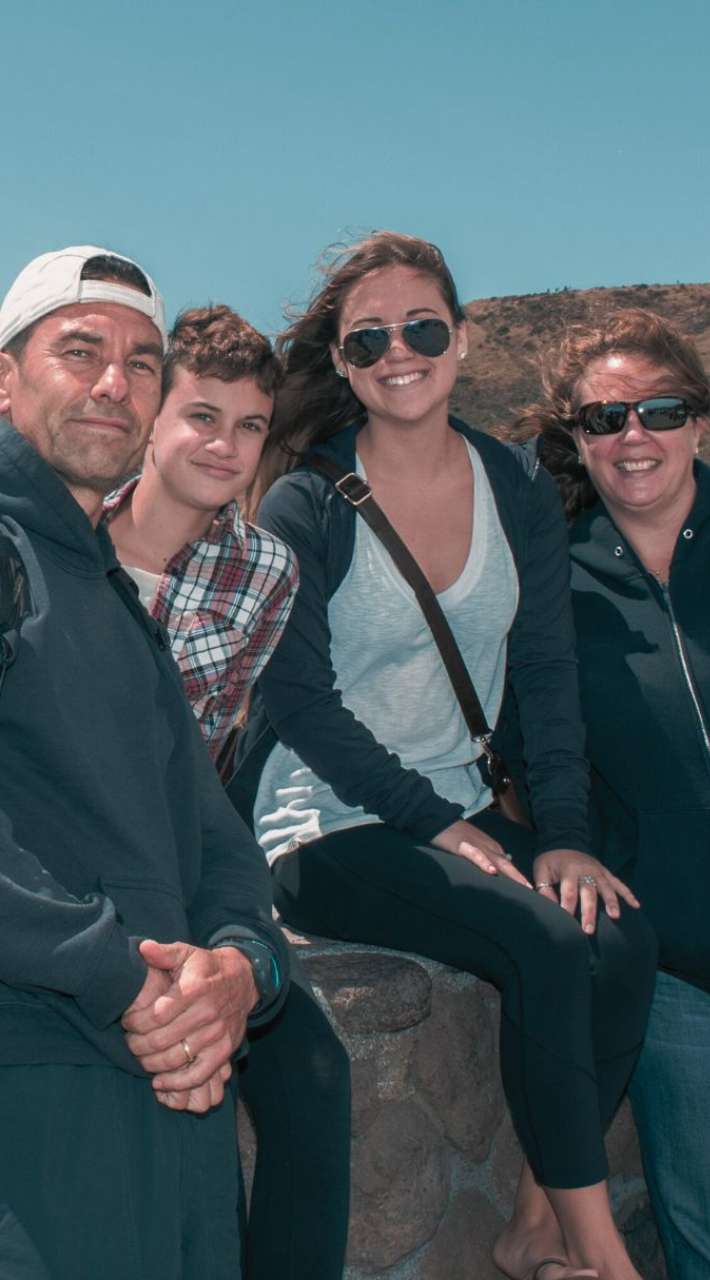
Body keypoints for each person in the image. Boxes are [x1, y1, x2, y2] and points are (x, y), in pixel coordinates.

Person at [237, 231, 658, 1280]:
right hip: (326, 821)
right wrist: (433, 820)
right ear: (343, 364)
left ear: (462, 339)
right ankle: (602, 1254)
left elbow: (546, 671)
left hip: (458, 804)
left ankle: (532, 1224)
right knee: (545, 942)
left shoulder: (514, 484)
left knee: (618, 936)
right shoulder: (307, 500)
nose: (399, 352)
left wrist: (563, 834)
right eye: (368, 338)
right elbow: (297, 699)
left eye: (422, 329)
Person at [0, 246, 289, 1280]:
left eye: (140, 363)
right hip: (37, 1093)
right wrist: (124, 978)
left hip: (175, 1094)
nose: (113, 384)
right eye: (80, 352)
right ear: (5, 378)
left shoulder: (119, 602)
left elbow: (213, 834)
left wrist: (242, 970)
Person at [106, 304, 351, 1280]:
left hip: (178, 873)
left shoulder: (264, 571)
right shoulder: (67, 534)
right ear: (153, 416)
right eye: (202, 417)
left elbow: (212, 757)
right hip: (63, 879)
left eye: (250, 426)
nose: (226, 446)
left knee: (314, 1075)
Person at [513, 309, 710, 1280]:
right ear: (579, 438)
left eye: (659, 410)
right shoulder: (553, 583)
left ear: (698, 420)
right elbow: (538, 753)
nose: (634, 435)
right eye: (604, 418)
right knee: (705, 1234)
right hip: (679, 975)